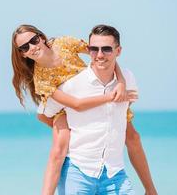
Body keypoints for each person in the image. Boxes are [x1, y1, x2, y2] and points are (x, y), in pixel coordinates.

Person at [11, 24, 157, 194]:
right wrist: (111, 98)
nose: (33, 47)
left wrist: (121, 83)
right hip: (66, 106)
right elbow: (76, 105)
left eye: (34, 40)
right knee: (61, 145)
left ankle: (150, 189)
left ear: (41, 37)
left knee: (132, 136)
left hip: (96, 86)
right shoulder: (41, 80)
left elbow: (101, 56)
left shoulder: (63, 43)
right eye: (25, 47)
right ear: (22, 53)